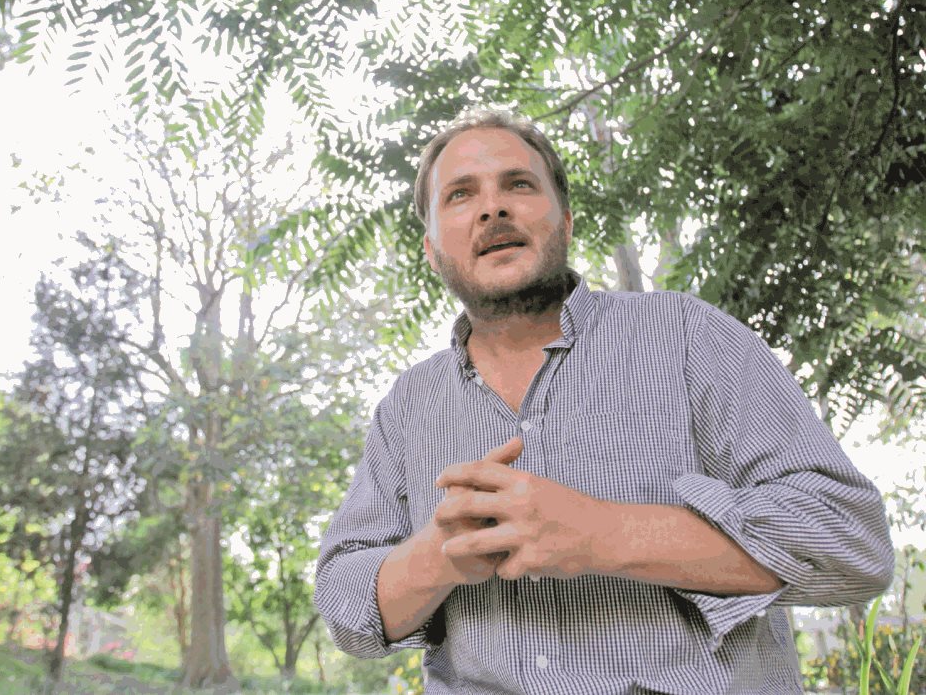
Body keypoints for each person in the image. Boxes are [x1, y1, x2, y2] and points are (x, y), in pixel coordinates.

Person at [314, 108, 894, 694]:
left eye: (518, 184)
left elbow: (851, 542)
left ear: (564, 223)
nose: (493, 208)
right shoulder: (406, 407)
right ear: (433, 251)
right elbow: (344, 605)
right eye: (460, 195)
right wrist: (439, 556)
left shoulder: (689, 336)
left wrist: (603, 534)